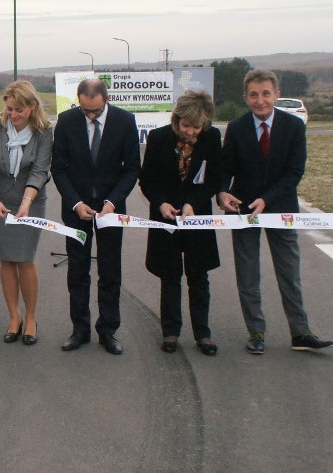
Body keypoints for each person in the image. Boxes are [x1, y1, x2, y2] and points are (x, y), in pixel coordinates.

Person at [218, 69, 332, 354]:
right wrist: (222, 192)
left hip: (281, 210)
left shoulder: (294, 127)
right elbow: (226, 168)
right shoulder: (236, 127)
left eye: (266, 94)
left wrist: (266, 200)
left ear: (277, 95)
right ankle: (256, 331)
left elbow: (294, 173)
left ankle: (300, 333)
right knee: (248, 275)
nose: (260, 101)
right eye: (253, 95)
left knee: (289, 274)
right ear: (245, 97)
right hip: (244, 212)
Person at [50, 78, 140, 355]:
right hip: (77, 210)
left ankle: (108, 330)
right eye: (85, 110)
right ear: (78, 100)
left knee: (110, 270)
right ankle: (80, 329)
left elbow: (132, 169)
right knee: (77, 270)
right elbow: (59, 168)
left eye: (96, 111)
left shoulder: (125, 121)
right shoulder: (66, 122)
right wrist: (75, 202)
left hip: (111, 210)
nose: (91, 116)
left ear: (106, 100)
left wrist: (113, 201)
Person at [139, 90, 222, 356]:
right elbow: (147, 180)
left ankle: (203, 333)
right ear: (176, 120)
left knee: (199, 275)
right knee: (170, 274)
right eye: (185, 126)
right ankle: (171, 332)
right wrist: (160, 203)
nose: (190, 132)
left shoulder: (211, 138)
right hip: (166, 216)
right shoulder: (159, 138)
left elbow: (212, 180)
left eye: (196, 127)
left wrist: (193, 205)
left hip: (196, 215)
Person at [0, 80, 52, 346]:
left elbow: (40, 170)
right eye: (9, 109)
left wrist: (26, 202)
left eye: (19, 110)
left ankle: (31, 318)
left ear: (32, 107)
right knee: (6, 259)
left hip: (30, 201)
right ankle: (14, 317)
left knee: (25, 258)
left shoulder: (44, 132)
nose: (13, 115)